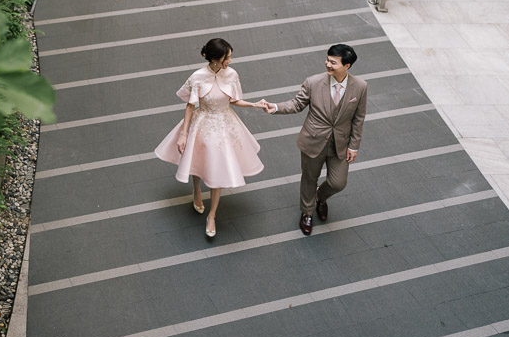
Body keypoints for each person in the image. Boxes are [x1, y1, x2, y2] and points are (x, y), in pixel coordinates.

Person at [154, 38, 267, 238]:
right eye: (227, 57)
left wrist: (254, 105)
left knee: (219, 170)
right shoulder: (197, 77)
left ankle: (212, 215)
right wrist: (183, 133)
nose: (230, 61)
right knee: (198, 160)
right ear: (216, 59)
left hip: (225, 126)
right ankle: (196, 189)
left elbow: (234, 100)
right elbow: (190, 105)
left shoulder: (232, 75)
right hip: (202, 123)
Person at [259, 43, 368, 236]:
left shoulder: (360, 87)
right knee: (309, 178)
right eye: (327, 59)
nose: (327, 64)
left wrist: (354, 146)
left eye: (333, 62)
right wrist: (274, 107)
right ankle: (307, 212)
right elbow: (297, 104)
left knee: (338, 183)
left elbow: (359, 118)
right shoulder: (313, 82)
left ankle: (320, 198)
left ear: (347, 66)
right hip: (313, 140)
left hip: (340, 144)